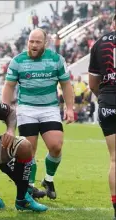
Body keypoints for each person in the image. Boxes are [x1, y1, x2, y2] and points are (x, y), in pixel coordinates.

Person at [2, 28, 75, 200]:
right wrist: (4, 109)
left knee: (56, 146)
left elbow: (66, 84)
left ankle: (48, 180)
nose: (33, 45)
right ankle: (30, 188)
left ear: (45, 43)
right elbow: (9, 86)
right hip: (27, 108)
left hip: (49, 108)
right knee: (29, 150)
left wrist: (70, 108)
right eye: (31, 41)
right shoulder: (18, 61)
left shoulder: (56, 60)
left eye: (37, 42)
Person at [88, 14, 116, 220]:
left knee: (115, 159)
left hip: (108, 102)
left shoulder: (99, 43)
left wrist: (103, 98)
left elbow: (92, 84)